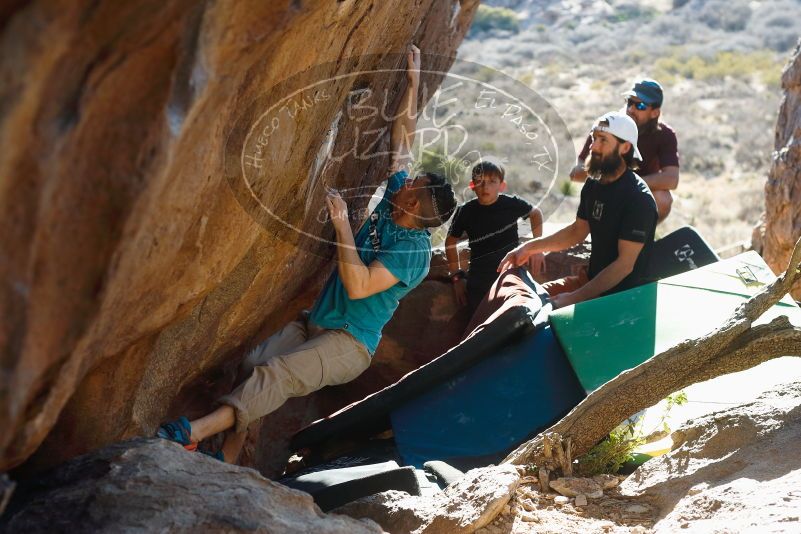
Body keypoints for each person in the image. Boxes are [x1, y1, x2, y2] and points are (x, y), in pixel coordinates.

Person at [156, 45, 457, 463]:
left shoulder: (413, 252)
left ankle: (187, 432)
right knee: (254, 363)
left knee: (275, 374)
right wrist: (413, 82)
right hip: (315, 324)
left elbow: (358, 284)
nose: (406, 180)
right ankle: (228, 456)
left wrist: (341, 226)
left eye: (413, 185)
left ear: (414, 207)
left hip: (347, 344)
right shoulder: (395, 202)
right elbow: (402, 140)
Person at [499, 111, 657, 309]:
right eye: (593, 138)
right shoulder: (593, 184)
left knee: (540, 316)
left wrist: (575, 298)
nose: (594, 146)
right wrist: (529, 248)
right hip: (588, 283)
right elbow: (577, 232)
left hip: (623, 298)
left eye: (603, 140)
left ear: (625, 147)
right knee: (519, 304)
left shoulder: (638, 199)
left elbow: (624, 265)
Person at [570, 79, 679, 222]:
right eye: (629, 102)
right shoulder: (609, 124)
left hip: (639, 195)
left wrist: (630, 185)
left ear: (655, 113)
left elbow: (672, 179)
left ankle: (642, 238)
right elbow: (576, 174)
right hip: (607, 191)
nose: (631, 109)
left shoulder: (665, 135)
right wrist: (604, 170)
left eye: (640, 105)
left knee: (663, 199)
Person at [444, 159, 544, 315]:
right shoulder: (465, 211)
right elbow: (450, 242)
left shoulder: (511, 204)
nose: (486, 187)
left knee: (517, 317)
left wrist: (537, 248)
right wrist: (456, 278)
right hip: (479, 278)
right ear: (472, 185)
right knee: (479, 321)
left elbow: (536, 214)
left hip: (510, 272)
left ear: (502, 185)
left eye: (492, 181)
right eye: (480, 182)